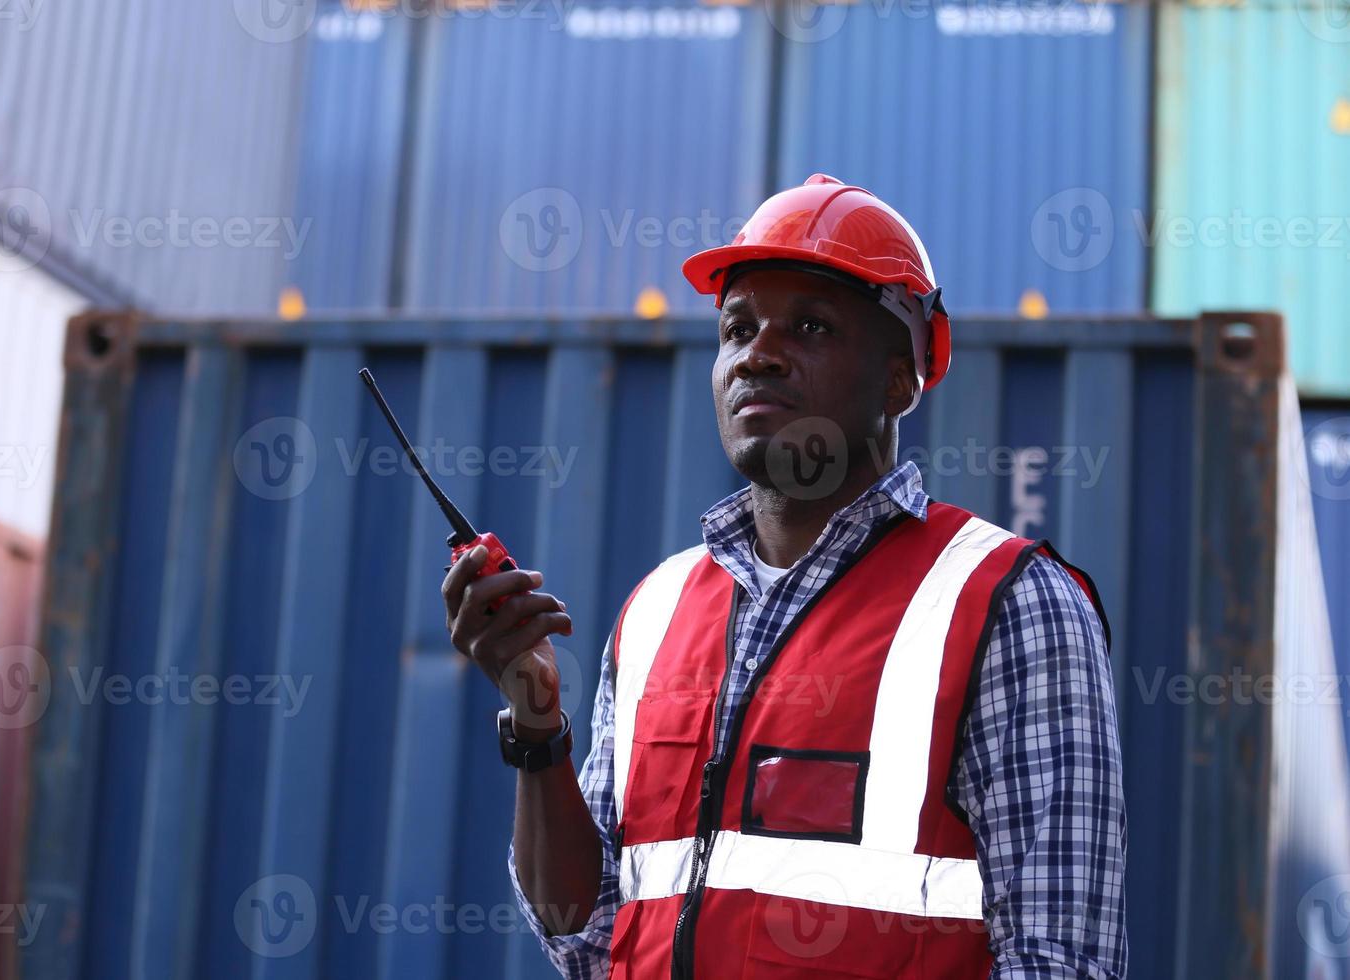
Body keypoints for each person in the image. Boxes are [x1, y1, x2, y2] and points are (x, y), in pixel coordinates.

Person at [442, 175, 1126, 978]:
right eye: (737, 328)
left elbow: (1061, 958)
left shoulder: (1006, 602)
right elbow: (585, 938)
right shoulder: (657, 609)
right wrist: (536, 727)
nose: (756, 354)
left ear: (900, 378)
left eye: (808, 326)